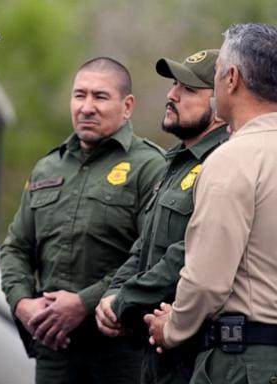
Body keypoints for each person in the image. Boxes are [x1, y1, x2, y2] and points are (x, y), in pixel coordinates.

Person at [0, 57, 166, 384]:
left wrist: (84, 303)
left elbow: (153, 256)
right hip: (55, 350)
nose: (87, 107)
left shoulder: (151, 167)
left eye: (100, 97)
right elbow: (16, 248)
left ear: (127, 105)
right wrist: (23, 303)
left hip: (120, 350)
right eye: (79, 95)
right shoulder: (47, 168)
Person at [146, 23, 277, 384]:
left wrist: (171, 328)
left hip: (246, 362)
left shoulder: (234, 158)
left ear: (232, 78)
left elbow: (206, 282)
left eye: (216, 74)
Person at [95, 49, 229, 384]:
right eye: (173, 84)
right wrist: (113, 293)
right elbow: (144, 246)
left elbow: (186, 254)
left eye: (188, 89)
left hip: (194, 354)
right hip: (154, 352)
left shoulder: (223, 163)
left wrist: (124, 301)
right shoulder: (177, 161)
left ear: (220, 105)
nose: (171, 95)